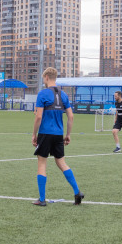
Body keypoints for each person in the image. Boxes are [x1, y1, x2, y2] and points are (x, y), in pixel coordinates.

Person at [31, 67, 83, 207]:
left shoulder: (42, 94)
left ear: (47, 77)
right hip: (58, 135)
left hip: (45, 134)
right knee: (62, 163)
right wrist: (68, 135)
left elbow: (39, 117)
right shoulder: (64, 95)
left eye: (43, 78)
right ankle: (77, 192)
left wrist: (34, 134)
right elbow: (71, 116)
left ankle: (42, 199)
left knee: (42, 163)